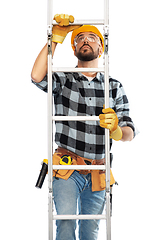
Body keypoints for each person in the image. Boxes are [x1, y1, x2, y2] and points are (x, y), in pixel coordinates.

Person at [31, 14, 136, 240]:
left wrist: (117, 130)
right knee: (66, 225)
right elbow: (37, 76)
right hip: (68, 169)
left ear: (101, 48)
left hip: (99, 171)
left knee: (90, 231)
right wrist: (55, 39)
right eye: (79, 38)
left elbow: (129, 133)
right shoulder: (64, 79)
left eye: (92, 37)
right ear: (75, 47)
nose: (85, 40)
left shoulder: (114, 86)